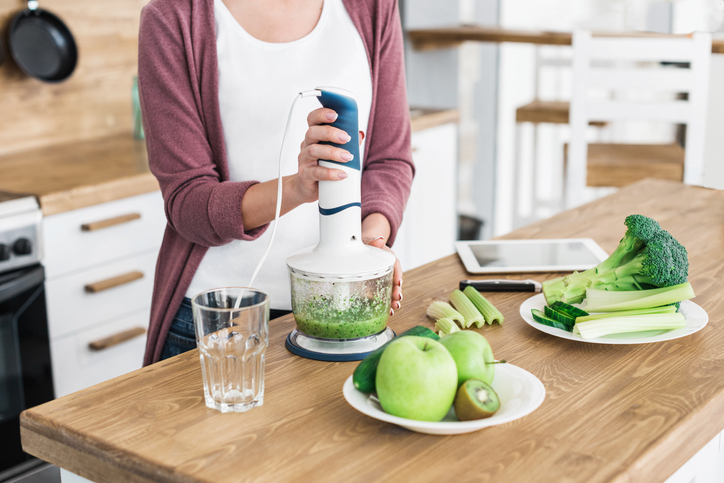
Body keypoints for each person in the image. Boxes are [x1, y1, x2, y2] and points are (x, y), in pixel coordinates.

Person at [138, 0, 414, 365]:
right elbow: (186, 202)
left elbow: (389, 159)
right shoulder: (173, 18)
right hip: (221, 321)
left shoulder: (372, 8)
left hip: (344, 308)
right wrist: (297, 188)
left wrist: (367, 244)